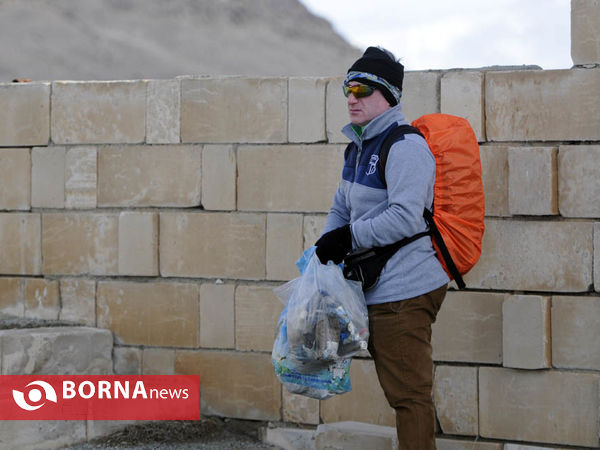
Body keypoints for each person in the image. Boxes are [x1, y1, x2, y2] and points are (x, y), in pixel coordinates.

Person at [314, 46, 449, 450]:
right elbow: (343, 203)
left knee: (409, 397)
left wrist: (349, 238)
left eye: (362, 89)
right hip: (376, 287)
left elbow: (406, 217)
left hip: (405, 288)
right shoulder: (358, 145)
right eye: (347, 89)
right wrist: (327, 245)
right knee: (406, 390)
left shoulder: (405, 147)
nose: (351, 98)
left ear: (388, 96)